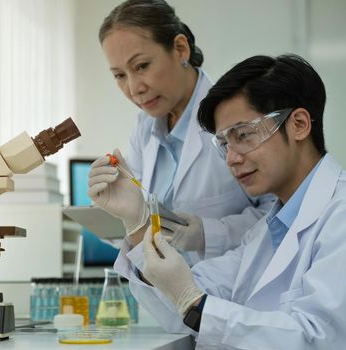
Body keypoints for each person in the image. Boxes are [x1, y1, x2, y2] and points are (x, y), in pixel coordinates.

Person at [138, 53, 346, 348]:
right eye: (224, 143)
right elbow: (179, 308)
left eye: (244, 135)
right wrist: (134, 223)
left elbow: (318, 339)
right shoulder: (267, 230)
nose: (232, 159)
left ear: (298, 124)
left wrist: (193, 301)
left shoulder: (339, 216)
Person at [89, 0, 274, 265]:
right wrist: (121, 214)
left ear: (180, 49)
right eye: (119, 75)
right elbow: (143, 231)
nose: (134, 88)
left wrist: (208, 234)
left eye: (141, 66)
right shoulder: (144, 130)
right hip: (166, 297)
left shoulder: (238, 115)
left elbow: (281, 213)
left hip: (234, 297)